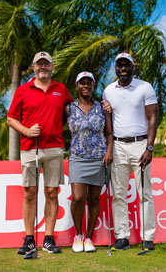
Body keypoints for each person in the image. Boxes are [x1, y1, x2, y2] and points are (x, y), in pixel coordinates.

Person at [7, 51, 73, 255]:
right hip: (30, 148)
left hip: (55, 147)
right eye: (39, 64)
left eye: (47, 64)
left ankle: (48, 238)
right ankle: (29, 239)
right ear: (33, 67)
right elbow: (11, 118)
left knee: (52, 193)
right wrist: (26, 131)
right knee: (30, 192)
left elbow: (71, 110)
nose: (43, 67)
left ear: (52, 67)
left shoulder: (60, 89)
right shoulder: (22, 90)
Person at [102, 52, 158, 251]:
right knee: (118, 194)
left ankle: (147, 237)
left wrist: (149, 147)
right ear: (116, 68)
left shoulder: (145, 87)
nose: (123, 68)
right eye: (119, 65)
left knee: (145, 193)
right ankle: (122, 236)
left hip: (140, 145)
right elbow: (107, 120)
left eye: (126, 65)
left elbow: (152, 118)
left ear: (133, 67)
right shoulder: (108, 91)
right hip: (117, 147)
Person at [65, 71, 113, 253]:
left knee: (94, 199)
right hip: (77, 157)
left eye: (89, 83)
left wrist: (109, 152)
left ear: (93, 86)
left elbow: (109, 133)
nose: (86, 86)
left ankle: (88, 238)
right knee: (78, 198)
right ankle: (78, 234)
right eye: (82, 83)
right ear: (77, 86)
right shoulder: (69, 108)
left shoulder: (102, 107)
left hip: (99, 157)